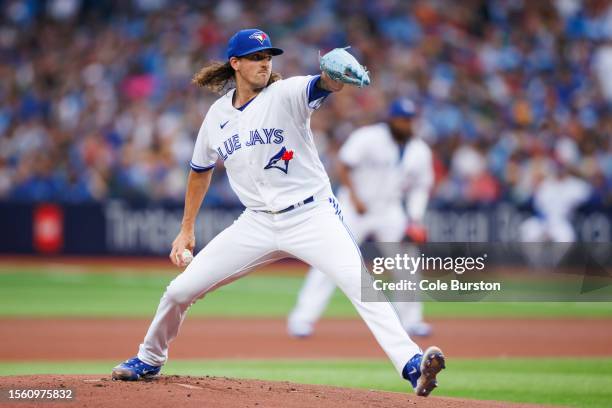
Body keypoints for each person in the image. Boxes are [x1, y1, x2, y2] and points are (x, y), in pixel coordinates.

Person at [111, 28, 445, 397]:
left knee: (359, 285)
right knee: (179, 291)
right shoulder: (217, 115)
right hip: (256, 222)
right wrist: (186, 228)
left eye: (268, 56)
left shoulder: (285, 94)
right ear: (235, 64)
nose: (264, 62)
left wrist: (332, 77)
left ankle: (412, 364)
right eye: (256, 57)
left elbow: (319, 86)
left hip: (312, 216)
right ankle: (149, 357)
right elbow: (199, 170)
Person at [287, 98, 434, 338]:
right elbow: (343, 164)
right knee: (330, 259)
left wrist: (415, 218)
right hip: (354, 207)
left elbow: (421, 187)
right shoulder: (369, 137)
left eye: (409, 120)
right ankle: (302, 319)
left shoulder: (419, 150)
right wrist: (354, 197)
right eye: (402, 119)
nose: (406, 124)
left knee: (406, 263)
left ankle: (412, 320)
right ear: (391, 119)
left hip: (389, 209)